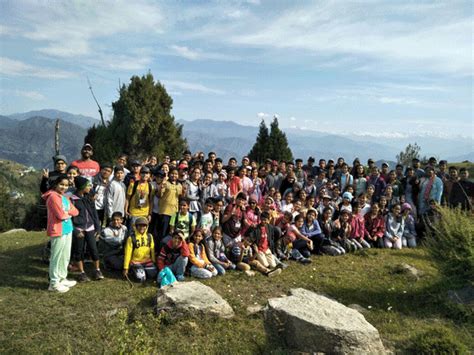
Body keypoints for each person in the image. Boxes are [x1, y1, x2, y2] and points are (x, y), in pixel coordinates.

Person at [42, 174, 79, 293]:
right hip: (58, 229)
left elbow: (76, 211)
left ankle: (62, 278)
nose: (64, 187)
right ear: (56, 184)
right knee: (56, 257)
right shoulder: (53, 197)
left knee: (65, 256)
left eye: (66, 185)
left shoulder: (63, 197)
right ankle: (53, 283)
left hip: (68, 228)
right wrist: (67, 212)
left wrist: (66, 211)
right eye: (61, 184)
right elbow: (60, 215)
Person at [70, 176, 103, 282]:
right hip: (79, 228)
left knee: (94, 249)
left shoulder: (88, 198)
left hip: (90, 227)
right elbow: (69, 216)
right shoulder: (72, 200)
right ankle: (81, 272)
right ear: (82, 187)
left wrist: (98, 228)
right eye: (88, 185)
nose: (90, 187)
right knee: (79, 251)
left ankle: (97, 270)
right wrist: (75, 230)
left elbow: (94, 214)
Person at [122, 217, 157, 283]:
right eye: (139, 225)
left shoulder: (150, 236)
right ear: (136, 226)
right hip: (136, 262)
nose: (142, 227)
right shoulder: (131, 238)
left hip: (147, 261)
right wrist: (125, 268)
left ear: (147, 226)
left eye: (144, 225)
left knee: (153, 274)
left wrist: (154, 261)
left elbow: (152, 250)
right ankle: (132, 271)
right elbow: (128, 253)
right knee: (141, 278)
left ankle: (144, 270)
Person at [157, 167, 184, 242]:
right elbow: (159, 195)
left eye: (176, 174)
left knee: (171, 233)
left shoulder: (179, 185)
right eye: (172, 173)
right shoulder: (165, 183)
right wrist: (162, 185)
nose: (174, 175)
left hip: (174, 213)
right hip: (164, 211)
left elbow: (181, 197)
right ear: (169, 174)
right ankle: (160, 250)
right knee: (162, 233)